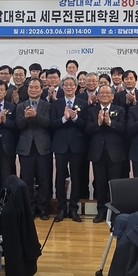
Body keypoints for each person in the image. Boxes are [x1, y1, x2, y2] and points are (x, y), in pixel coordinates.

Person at [50, 75, 88, 222]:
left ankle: (73, 208)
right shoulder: (56, 104)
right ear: (62, 87)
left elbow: (86, 125)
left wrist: (75, 118)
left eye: (72, 84)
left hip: (77, 146)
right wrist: (65, 119)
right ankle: (61, 208)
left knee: (76, 178)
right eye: (66, 84)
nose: (69, 87)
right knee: (60, 178)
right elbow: (52, 124)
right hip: (60, 146)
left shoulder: (83, 103)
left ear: (76, 87)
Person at [86, 85, 126, 223]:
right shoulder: (92, 111)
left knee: (114, 184)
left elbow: (123, 128)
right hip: (98, 152)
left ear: (112, 96)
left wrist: (110, 122)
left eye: (107, 93)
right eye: (101, 93)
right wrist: (97, 123)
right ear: (97, 96)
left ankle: (115, 213)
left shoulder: (120, 110)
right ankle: (101, 211)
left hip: (115, 152)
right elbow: (87, 129)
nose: (104, 95)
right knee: (100, 183)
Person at [16, 78, 52, 219]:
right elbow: (18, 125)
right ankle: (29, 208)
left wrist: (36, 116)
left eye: (36, 87)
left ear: (41, 90)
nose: (33, 90)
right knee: (27, 180)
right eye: (31, 87)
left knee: (44, 179)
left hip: (43, 147)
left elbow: (48, 123)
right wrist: (26, 118)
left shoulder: (47, 105)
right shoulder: (21, 106)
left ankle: (43, 208)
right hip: (26, 148)